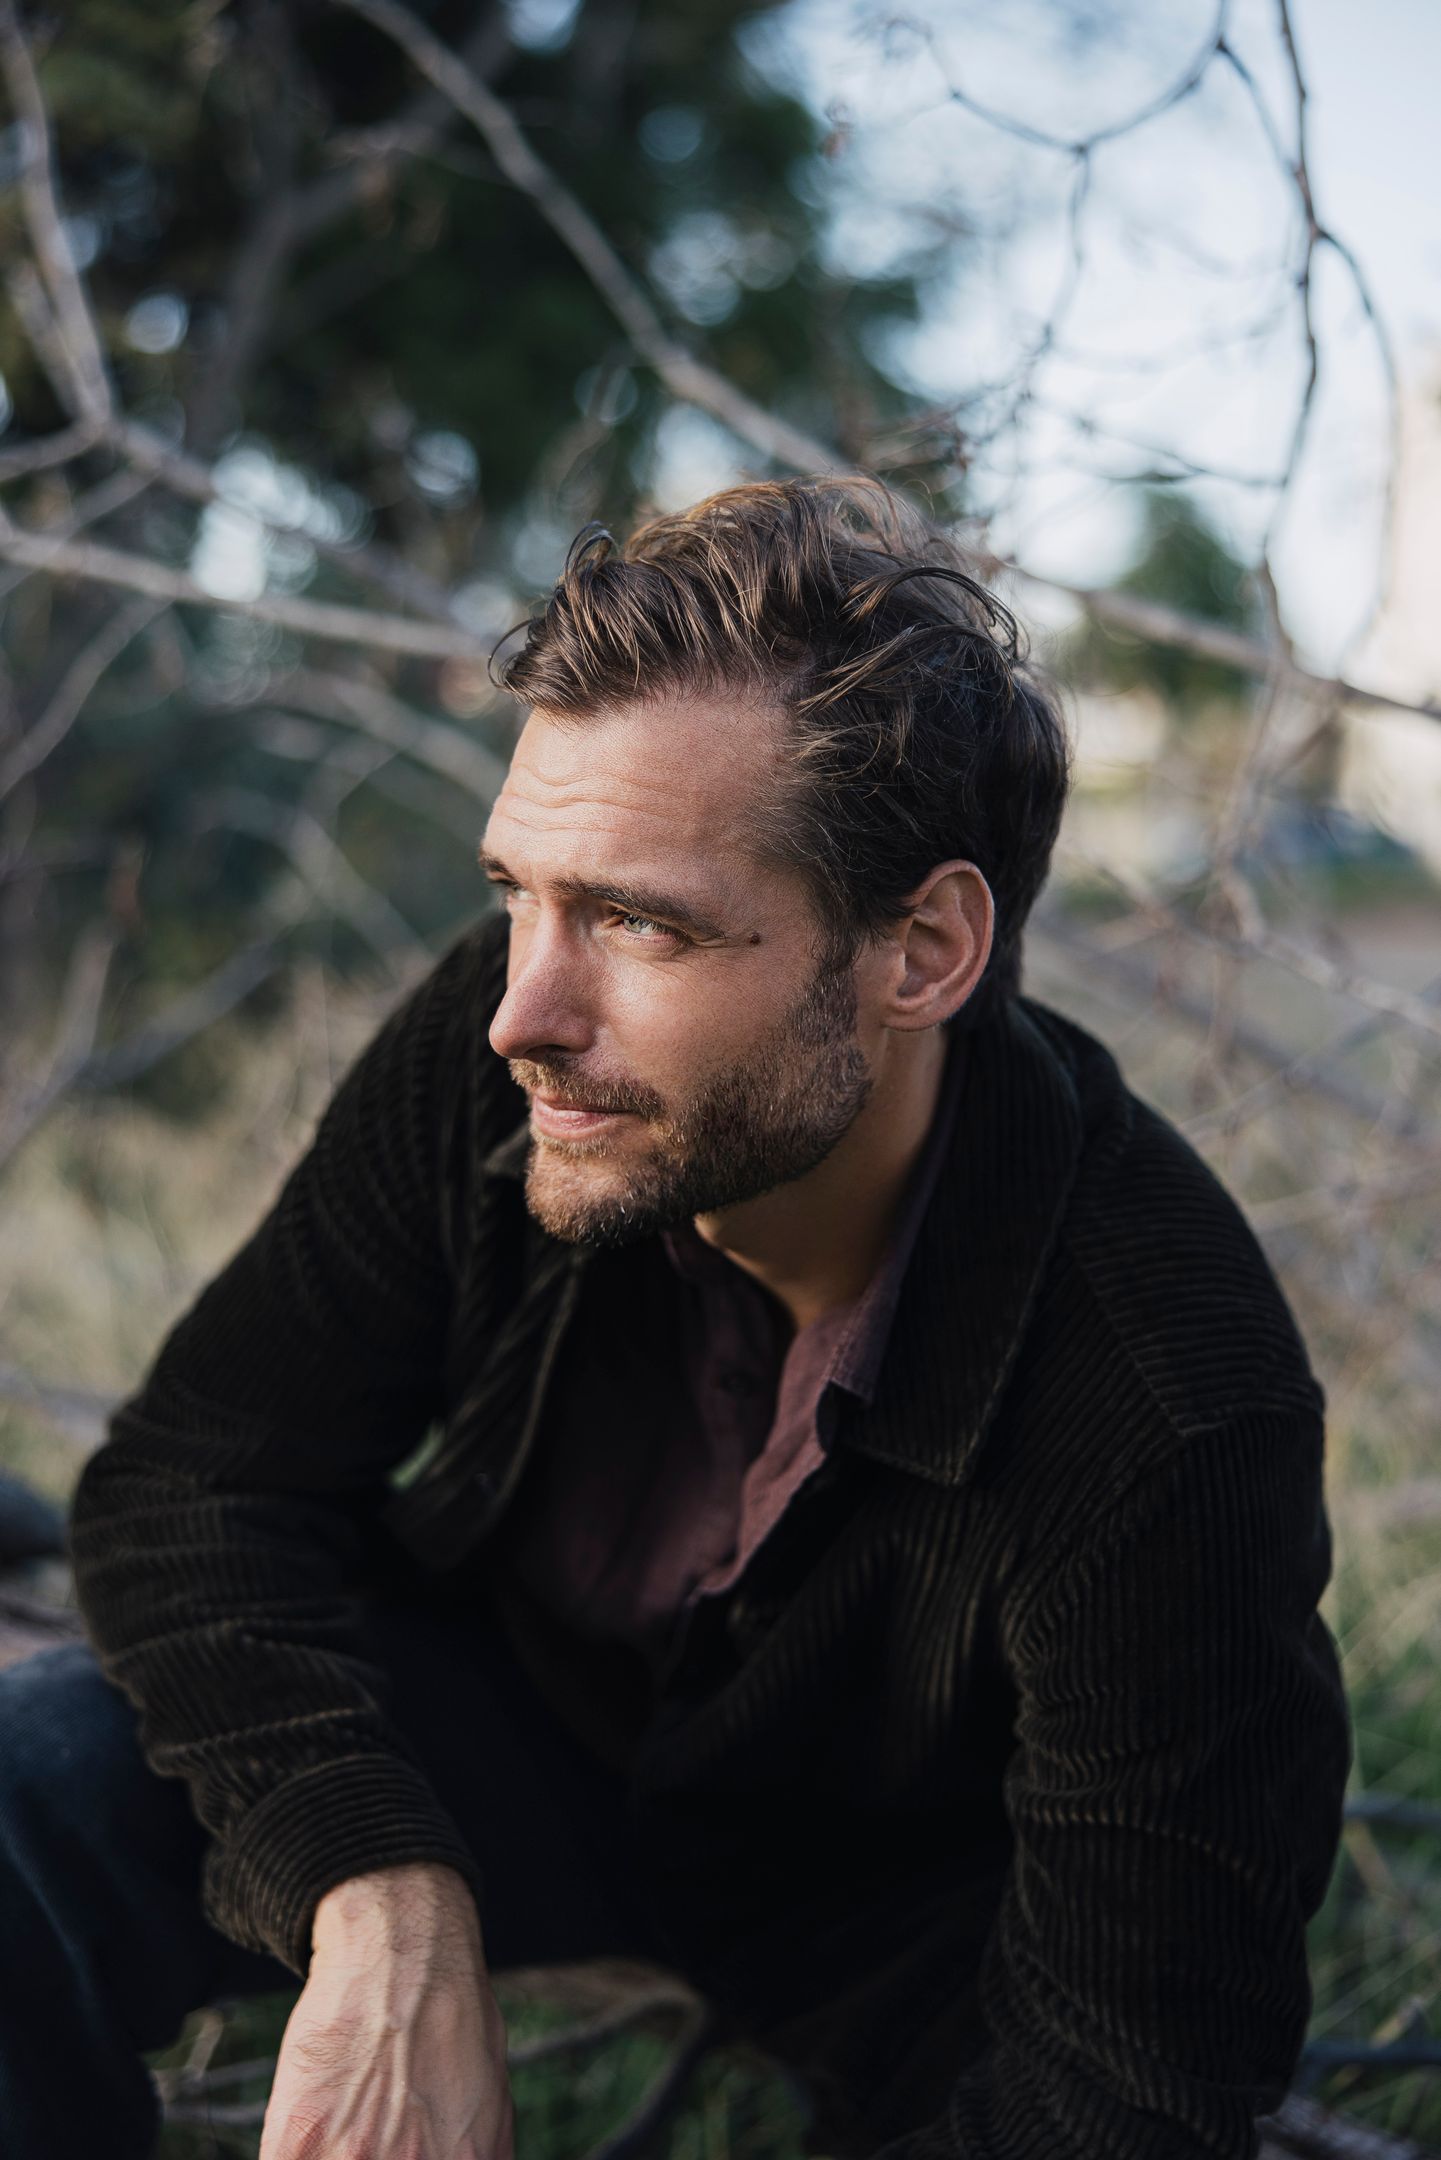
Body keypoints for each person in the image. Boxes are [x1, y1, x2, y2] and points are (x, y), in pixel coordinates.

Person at [1, 476, 1351, 2160]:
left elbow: (1130, 2094)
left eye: (638, 920)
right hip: (514, 1736)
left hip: (912, 1915)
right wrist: (373, 1881)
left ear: (923, 949)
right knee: (23, 1787)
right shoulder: (522, 1061)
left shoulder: (1166, 1395)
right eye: (518, 892)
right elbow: (196, 1483)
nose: (523, 1011)